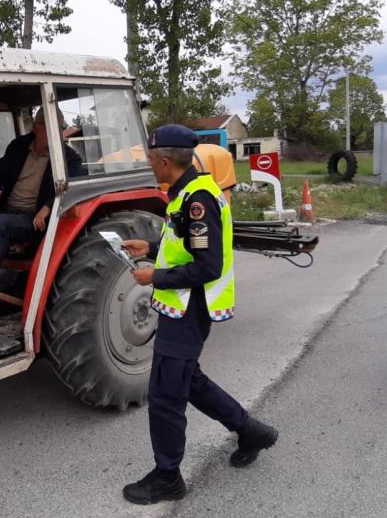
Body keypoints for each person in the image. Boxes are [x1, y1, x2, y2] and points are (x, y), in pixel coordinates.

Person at [120, 124, 278, 505]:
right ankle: (250, 430)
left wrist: (153, 275)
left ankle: (168, 477)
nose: (149, 165)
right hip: (182, 307)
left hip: (191, 309)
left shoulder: (197, 199)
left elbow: (207, 265)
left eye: (150, 160)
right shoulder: (186, 193)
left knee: (165, 396)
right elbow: (185, 242)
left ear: (163, 161)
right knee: (188, 381)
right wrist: (152, 245)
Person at [0, 107, 85, 289]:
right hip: (6, 209)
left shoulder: (69, 158)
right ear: (35, 127)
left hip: (33, 218)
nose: (56, 133)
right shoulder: (18, 147)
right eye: (49, 127)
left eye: (59, 128)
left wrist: (48, 206)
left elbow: (74, 186)